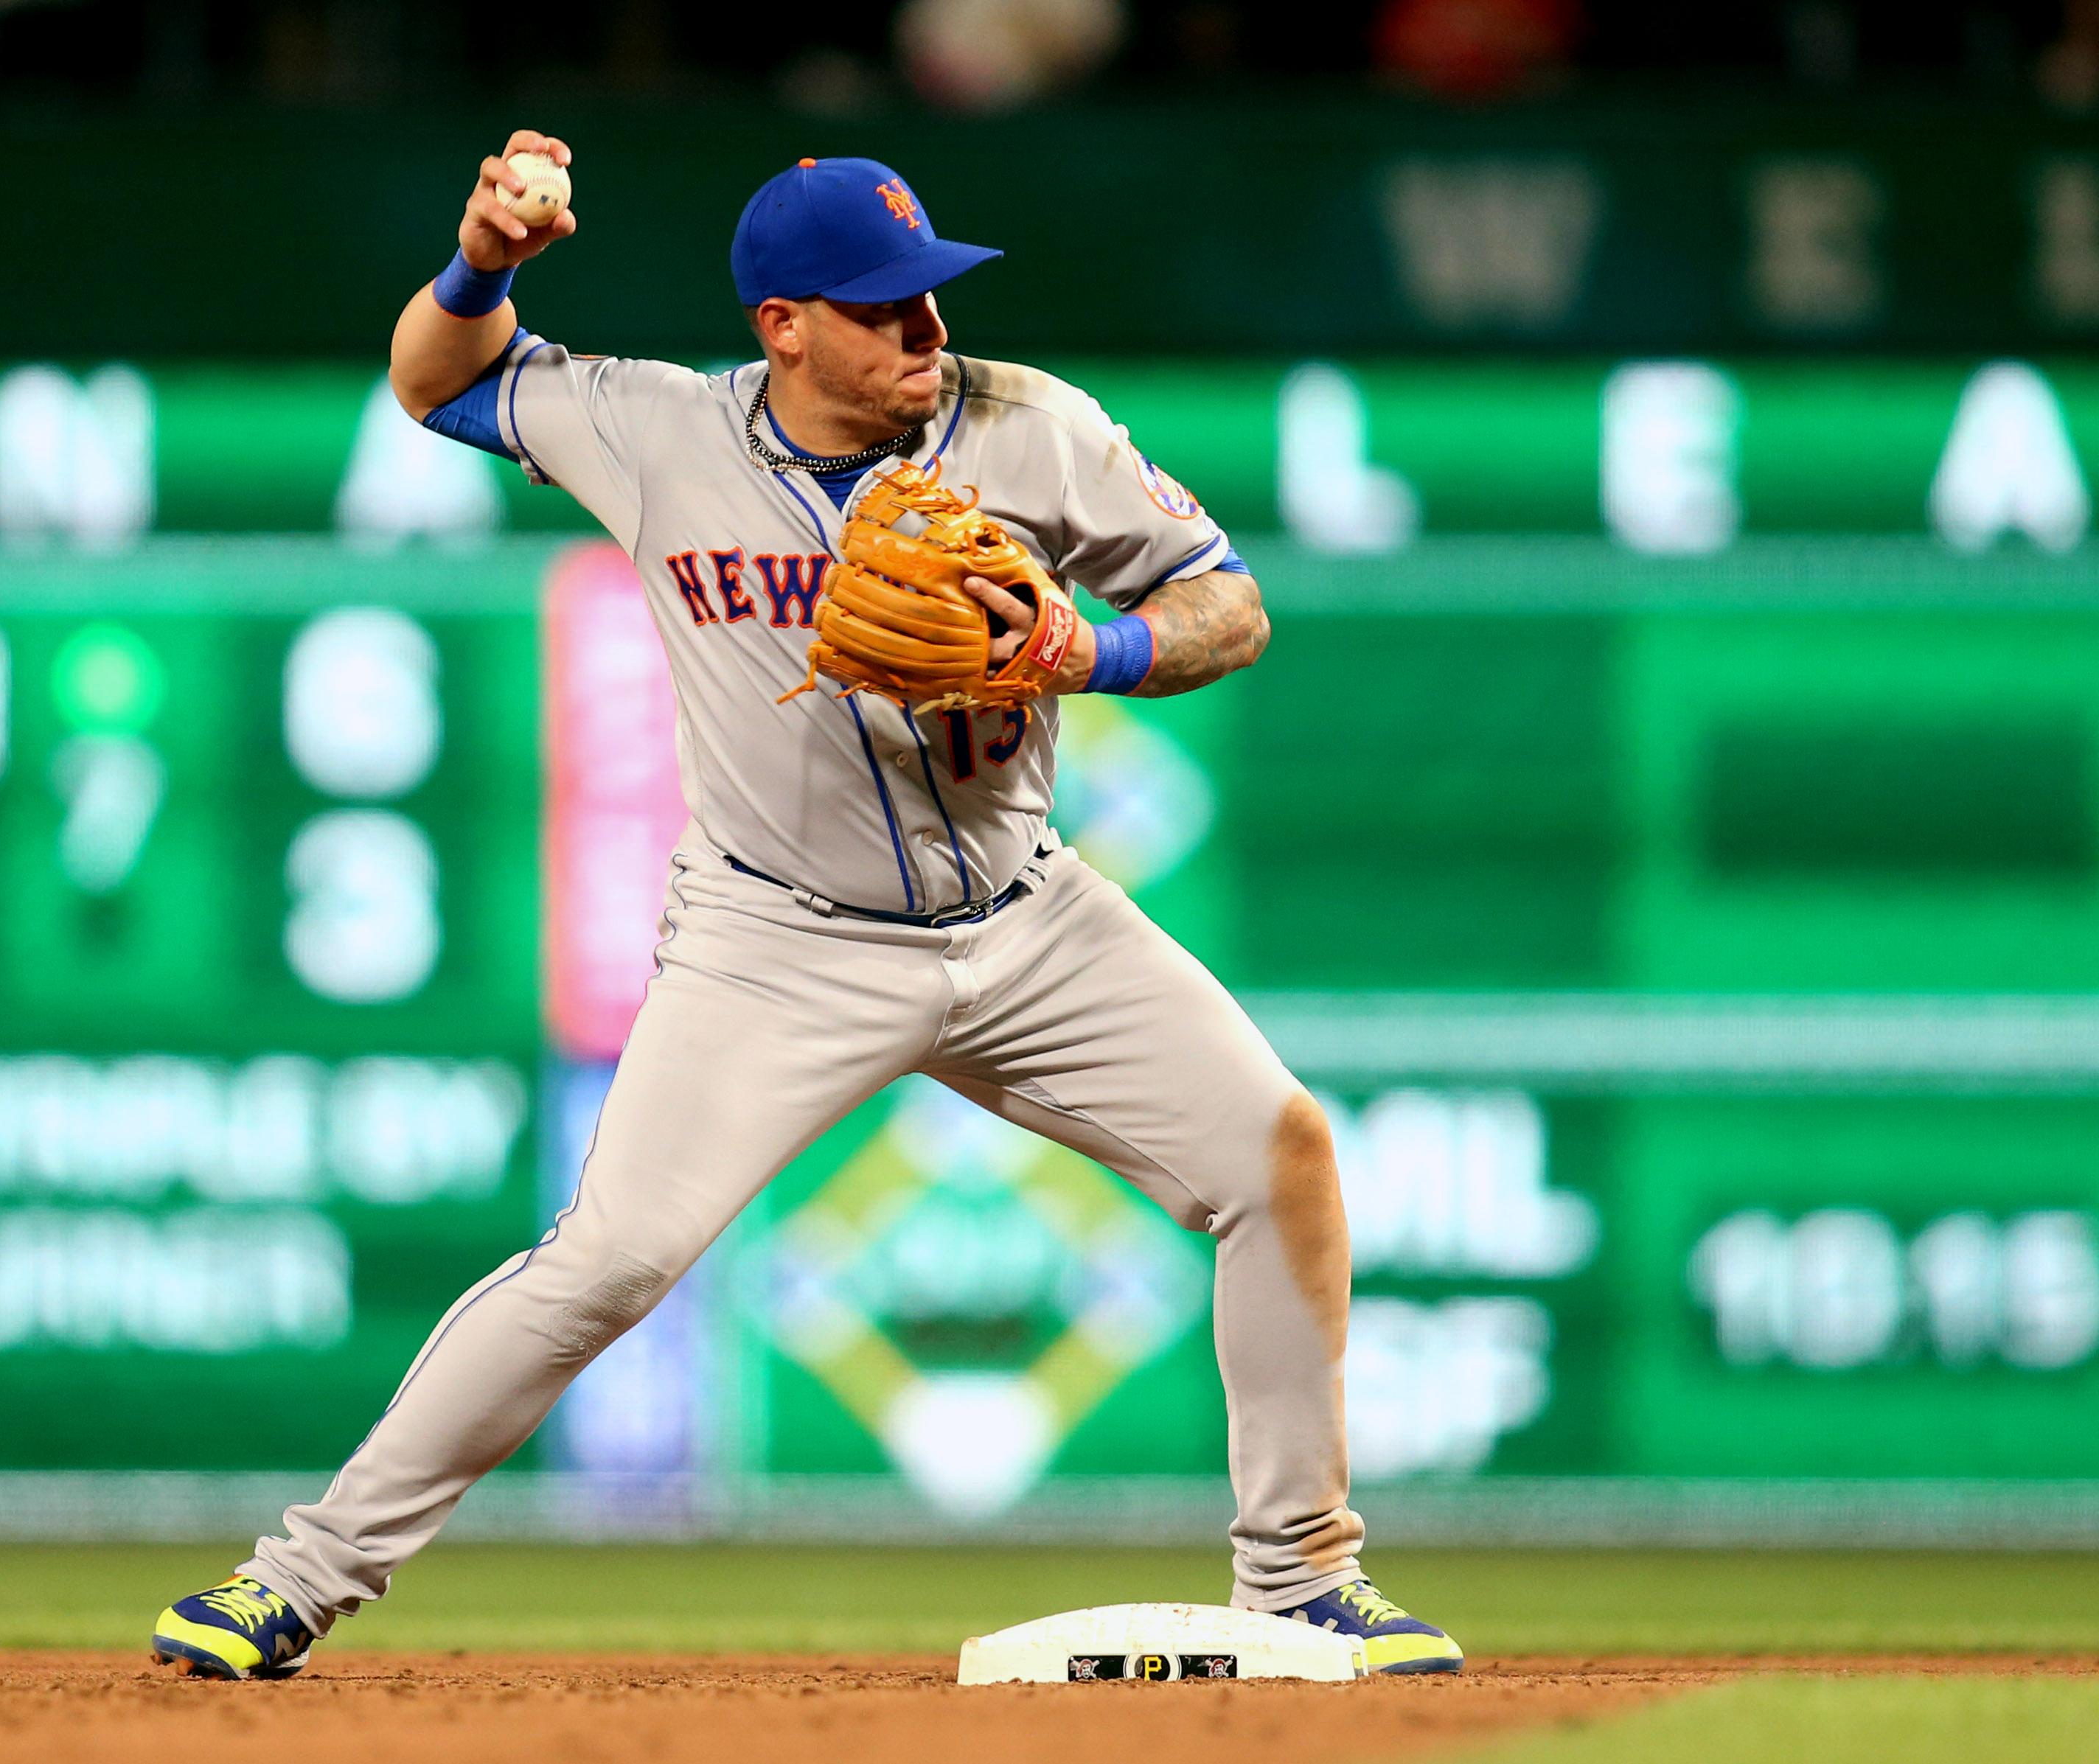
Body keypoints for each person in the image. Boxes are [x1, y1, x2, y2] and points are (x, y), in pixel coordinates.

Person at [149, 131, 1463, 1681]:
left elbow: (1226, 601)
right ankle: (293, 1580)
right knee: (609, 1261)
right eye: (882, 306)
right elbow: (436, 381)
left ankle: (1302, 1581)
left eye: (930, 295)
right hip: (776, 940)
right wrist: (485, 263)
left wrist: (1085, 656)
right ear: (783, 324)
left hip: (1026, 915)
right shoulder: (659, 431)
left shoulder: (1031, 430)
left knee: (1282, 1157)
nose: (926, 329)